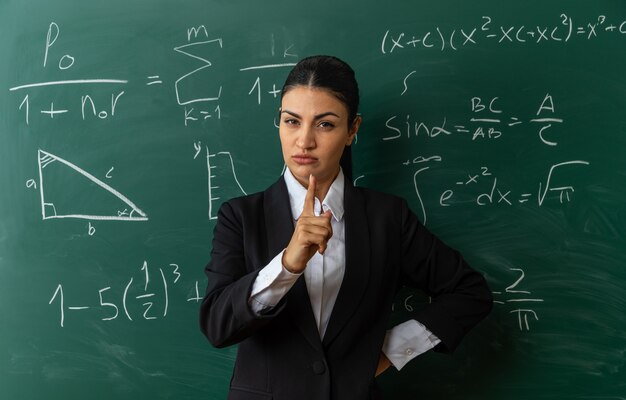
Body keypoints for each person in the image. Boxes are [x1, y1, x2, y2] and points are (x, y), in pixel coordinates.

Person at [200, 55, 493, 400]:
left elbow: (470, 292)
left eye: (324, 124)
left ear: (352, 130)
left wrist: (390, 350)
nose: (304, 141)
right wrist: (288, 263)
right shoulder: (241, 216)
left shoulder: (387, 218)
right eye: (292, 121)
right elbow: (218, 326)